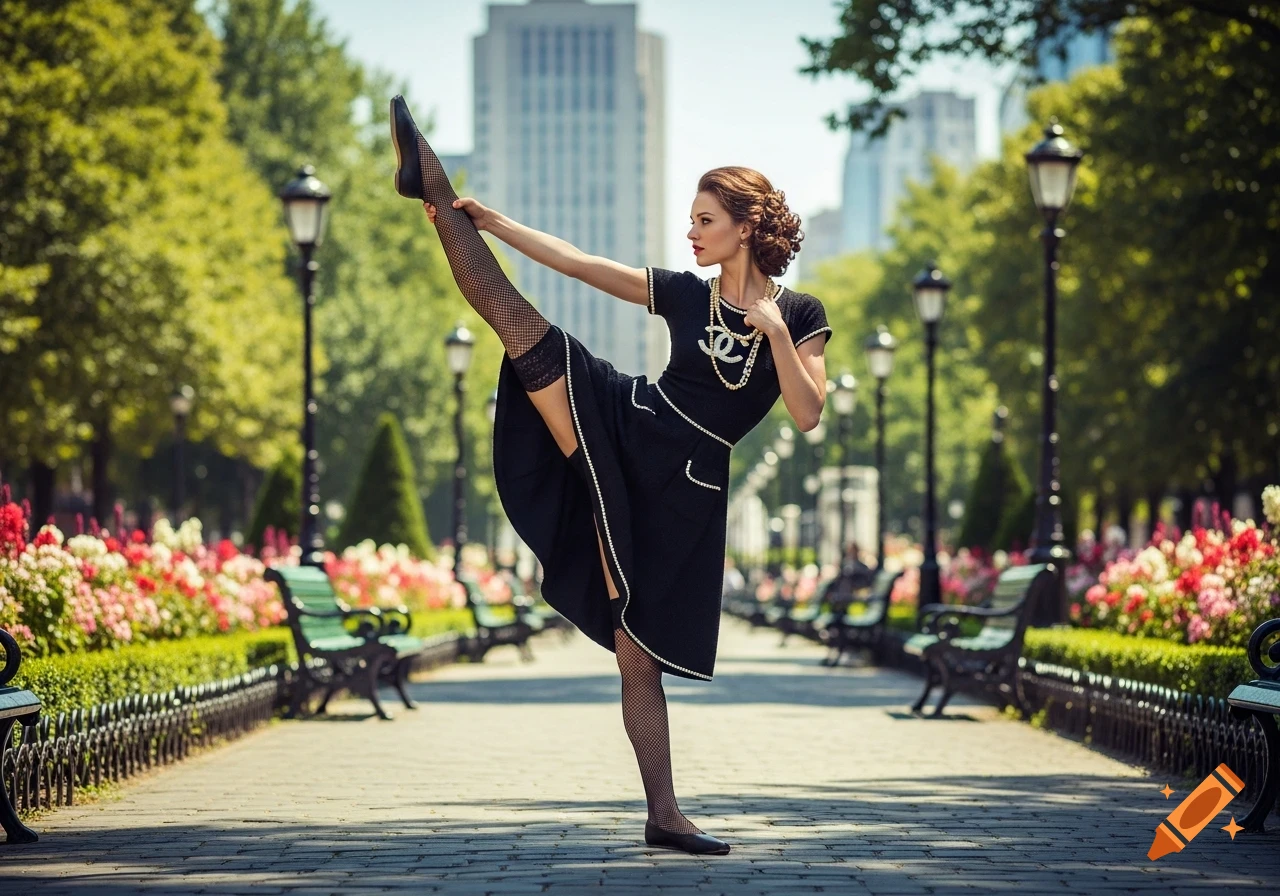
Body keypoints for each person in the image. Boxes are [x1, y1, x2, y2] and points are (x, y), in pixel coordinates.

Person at [389, 96, 832, 855]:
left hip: (687, 487)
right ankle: (433, 188)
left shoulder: (804, 311)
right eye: (691, 220)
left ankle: (664, 816)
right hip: (631, 422)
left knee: (639, 653)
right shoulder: (689, 294)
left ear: (746, 225)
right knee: (519, 325)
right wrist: (492, 222)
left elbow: (808, 411)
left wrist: (779, 335)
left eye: (704, 220)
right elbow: (586, 267)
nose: (690, 232)